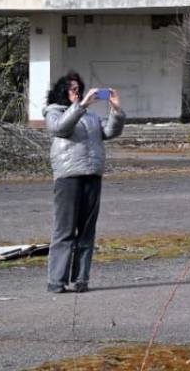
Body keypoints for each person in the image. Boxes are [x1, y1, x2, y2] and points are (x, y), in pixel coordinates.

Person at [43, 71, 125, 293]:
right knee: (65, 231)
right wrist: (81, 106)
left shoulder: (90, 117)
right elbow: (60, 128)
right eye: (72, 89)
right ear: (62, 91)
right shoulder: (54, 111)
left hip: (92, 175)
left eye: (78, 88)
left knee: (87, 231)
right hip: (68, 177)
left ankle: (81, 279)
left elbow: (110, 132)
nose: (77, 92)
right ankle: (56, 281)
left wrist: (116, 109)